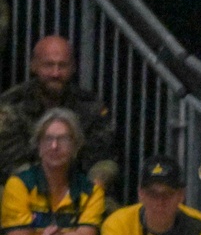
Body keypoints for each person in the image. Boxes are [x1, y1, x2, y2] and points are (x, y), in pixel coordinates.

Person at [2, 107, 103, 235]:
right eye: (48, 139)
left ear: (75, 146)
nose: (54, 146)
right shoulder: (19, 184)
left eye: (63, 140)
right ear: (38, 146)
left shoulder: (90, 190)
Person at [0, 36, 117, 192]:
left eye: (62, 66)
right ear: (33, 66)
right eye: (48, 65)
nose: (56, 73)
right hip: (22, 189)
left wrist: (94, 184)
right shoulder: (11, 104)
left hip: (79, 190)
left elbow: (102, 158)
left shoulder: (90, 105)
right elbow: (10, 163)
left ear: (73, 68)